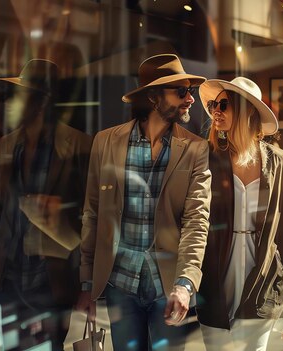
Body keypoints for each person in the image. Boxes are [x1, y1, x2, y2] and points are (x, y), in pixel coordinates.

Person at [76, 54, 212, 351]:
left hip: (169, 288)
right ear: (153, 96)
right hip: (119, 285)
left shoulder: (195, 149)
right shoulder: (105, 142)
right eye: (181, 91)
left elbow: (197, 221)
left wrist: (186, 283)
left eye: (190, 91)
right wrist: (87, 285)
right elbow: (92, 214)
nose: (190, 99)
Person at [196, 77, 283, 350]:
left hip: (263, 280)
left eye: (224, 104)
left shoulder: (279, 161)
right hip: (216, 278)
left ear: (246, 112)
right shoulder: (206, 156)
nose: (215, 111)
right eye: (212, 105)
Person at [0, 59, 91, 348]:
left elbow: (89, 218)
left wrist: (87, 286)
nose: (10, 103)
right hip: (7, 277)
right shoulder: (7, 145)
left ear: (42, 101)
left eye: (18, 95)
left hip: (51, 281)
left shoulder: (79, 146)